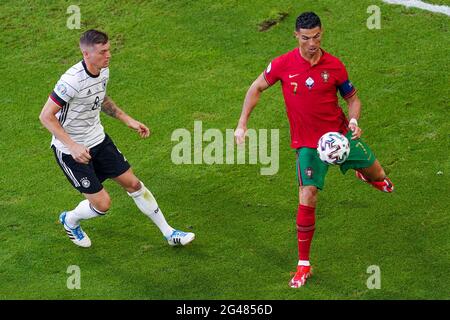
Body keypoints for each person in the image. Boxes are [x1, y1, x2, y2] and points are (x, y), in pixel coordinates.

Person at [234, 12, 393, 288]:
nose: (312, 43)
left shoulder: (334, 66)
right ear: (296, 35)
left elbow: (353, 99)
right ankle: (303, 264)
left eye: (317, 36)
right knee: (307, 194)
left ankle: (365, 175)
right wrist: (242, 124)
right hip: (308, 145)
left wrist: (354, 121)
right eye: (306, 37)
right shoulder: (283, 64)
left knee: (380, 175)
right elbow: (256, 87)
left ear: (322, 33)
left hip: (340, 137)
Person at [39, 29, 195, 248]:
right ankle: (70, 220)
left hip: (98, 140)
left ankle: (169, 233)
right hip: (71, 152)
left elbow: (100, 99)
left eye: (108, 50)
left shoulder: (103, 71)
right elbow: (46, 116)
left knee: (134, 183)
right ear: (86, 54)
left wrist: (127, 119)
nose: (108, 55)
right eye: (102, 52)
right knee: (102, 204)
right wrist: (72, 146)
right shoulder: (71, 81)